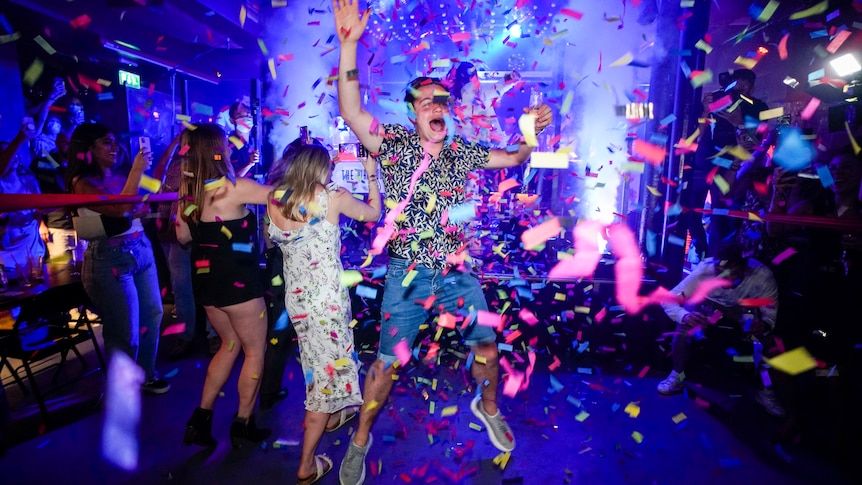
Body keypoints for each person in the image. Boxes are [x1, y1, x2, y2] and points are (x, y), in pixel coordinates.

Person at [332, 2, 552, 483]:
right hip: (407, 275)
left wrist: (529, 135)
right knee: (385, 369)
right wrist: (349, 42)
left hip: (455, 271)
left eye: (442, 101)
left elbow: (514, 158)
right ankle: (360, 440)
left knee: (488, 350)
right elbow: (350, 108)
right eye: (427, 101)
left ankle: (488, 406)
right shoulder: (391, 142)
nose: (437, 106)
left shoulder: (462, 150)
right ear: (411, 111)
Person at [267, 144, 381, 484]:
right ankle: (305, 464)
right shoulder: (331, 197)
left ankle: (332, 417)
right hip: (326, 306)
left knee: (318, 366)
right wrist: (371, 174)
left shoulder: (274, 198)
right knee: (321, 386)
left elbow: (272, 242)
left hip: (298, 302)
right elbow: (374, 213)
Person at [176, 124, 272, 449]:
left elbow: (183, 237)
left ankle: (199, 420)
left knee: (229, 345)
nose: (231, 150)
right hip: (239, 281)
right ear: (218, 150)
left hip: (207, 282)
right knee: (254, 350)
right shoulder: (235, 188)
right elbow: (283, 198)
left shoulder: (188, 194)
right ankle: (243, 422)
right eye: (226, 146)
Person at [66, 123, 170, 394]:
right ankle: (121, 391)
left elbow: (152, 189)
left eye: (114, 141)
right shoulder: (82, 183)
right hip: (109, 259)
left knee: (153, 316)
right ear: (88, 149)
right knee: (126, 333)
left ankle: (145, 376)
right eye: (106, 142)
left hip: (141, 251)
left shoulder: (121, 174)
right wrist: (137, 172)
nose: (114, 147)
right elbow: (121, 207)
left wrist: (169, 149)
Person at [657, 241, 784, 416]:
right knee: (685, 328)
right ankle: (677, 375)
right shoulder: (705, 270)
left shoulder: (762, 276)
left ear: (744, 269)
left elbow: (770, 312)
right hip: (707, 303)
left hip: (742, 307)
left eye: (732, 274)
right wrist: (685, 315)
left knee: (767, 338)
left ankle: (765, 390)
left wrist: (764, 324)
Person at [681, 68, 769, 260]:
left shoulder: (758, 108)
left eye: (746, 87)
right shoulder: (718, 99)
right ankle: (702, 250)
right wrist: (705, 110)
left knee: (720, 215)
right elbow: (695, 136)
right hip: (702, 163)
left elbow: (753, 143)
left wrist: (739, 122)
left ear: (752, 88)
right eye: (737, 86)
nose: (741, 92)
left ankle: (717, 259)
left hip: (731, 167)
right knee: (689, 212)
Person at [152, 133, 220, 360]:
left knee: (210, 284)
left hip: (204, 233)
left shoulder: (211, 163)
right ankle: (185, 336)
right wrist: (173, 143)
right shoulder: (174, 164)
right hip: (175, 236)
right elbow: (157, 178)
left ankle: (213, 334)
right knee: (182, 288)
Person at [227, 101, 260, 178]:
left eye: (248, 115)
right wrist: (249, 163)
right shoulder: (227, 146)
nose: (245, 119)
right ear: (232, 120)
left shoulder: (256, 142)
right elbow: (231, 178)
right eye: (240, 116)